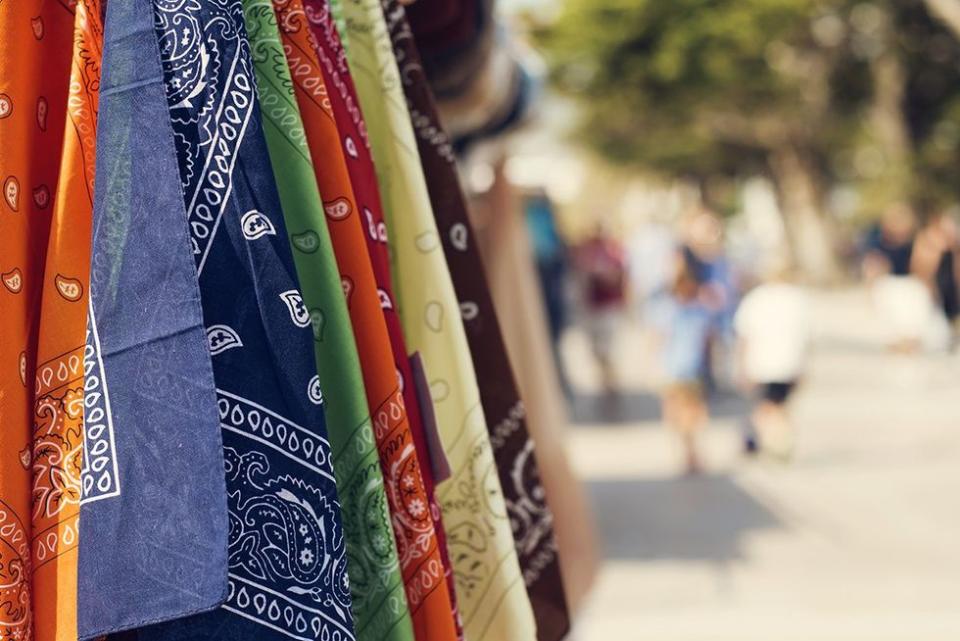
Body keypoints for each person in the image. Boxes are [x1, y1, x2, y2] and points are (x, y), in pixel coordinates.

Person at [734, 263, 811, 460]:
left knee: (768, 408)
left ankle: (768, 442)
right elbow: (807, 337)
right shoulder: (798, 299)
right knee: (777, 407)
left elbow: (744, 336)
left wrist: (741, 366)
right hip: (788, 364)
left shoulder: (755, 299)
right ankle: (776, 443)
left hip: (762, 364)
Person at [658, 263, 714, 474]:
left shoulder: (699, 311)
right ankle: (686, 453)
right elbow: (658, 339)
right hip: (674, 369)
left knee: (693, 414)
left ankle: (692, 453)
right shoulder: (669, 310)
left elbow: (707, 342)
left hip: (692, 369)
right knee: (677, 414)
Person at [577, 226, 628, 393]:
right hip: (593, 307)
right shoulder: (587, 254)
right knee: (596, 347)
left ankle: (610, 378)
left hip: (609, 306)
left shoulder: (613, 253)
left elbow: (620, 276)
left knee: (607, 345)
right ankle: (605, 376)